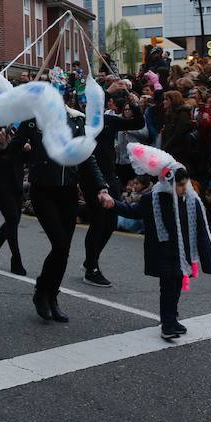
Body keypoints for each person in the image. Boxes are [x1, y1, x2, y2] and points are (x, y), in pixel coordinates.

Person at [106, 145, 211, 340]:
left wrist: (206, 258)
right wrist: (113, 204)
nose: (184, 188)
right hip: (163, 251)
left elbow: (200, 229)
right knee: (168, 287)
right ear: (168, 183)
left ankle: (172, 318)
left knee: (176, 286)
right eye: (180, 185)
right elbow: (133, 211)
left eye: (186, 184)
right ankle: (167, 323)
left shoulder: (191, 201)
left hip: (182, 251)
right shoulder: (153, 199)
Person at [21, 109, 110, 323]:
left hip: (68, 191)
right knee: (60, 245)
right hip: (42, 190)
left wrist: (101, 187)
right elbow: (14, 149)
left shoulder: (76, 121)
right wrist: (6, 144)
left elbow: (87, 157)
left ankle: (52, 297)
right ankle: (41, 291)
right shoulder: (33, 121)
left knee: (64, 250)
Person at [81, 91, 144, 287]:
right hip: (91, 176)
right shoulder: (81, 123)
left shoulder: (109, 120)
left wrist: (134, 105)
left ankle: (91, 260)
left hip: (110, 175)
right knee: (98, 221)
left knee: (111, 221)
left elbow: (138, 124)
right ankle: (91, 268)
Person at [0, 125, 32, 276]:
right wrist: (2, 146)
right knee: (12, 219)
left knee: (13, 221)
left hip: (16, 183)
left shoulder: (17, 133)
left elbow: (23, 159)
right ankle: (16, 260)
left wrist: (26, 149)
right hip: (0, 185)